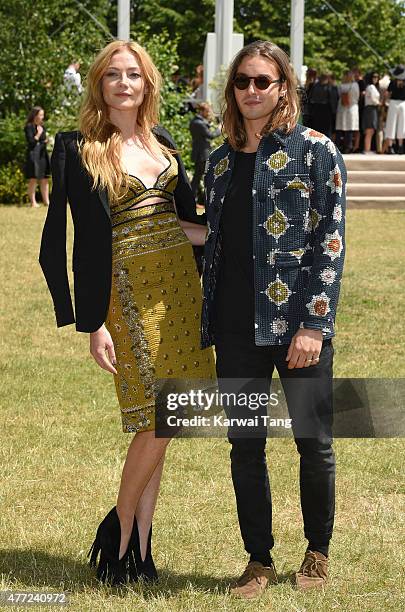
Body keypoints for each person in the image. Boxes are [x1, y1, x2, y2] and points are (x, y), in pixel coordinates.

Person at [39, 40, 215, 586]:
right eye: (113, 74)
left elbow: (185, 220)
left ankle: (141, 547)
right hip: (128, 292)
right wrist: (90, 322)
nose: (123, 82)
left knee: (170, 420)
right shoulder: (79, 147)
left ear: (147, 84)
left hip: (182, 290)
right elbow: (61, 242)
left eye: (132, 74)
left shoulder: (163, 142)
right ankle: (116, 538)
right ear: (99, 84)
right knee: (156, 419)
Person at [201, 40, 346, 599]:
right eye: (242, 82)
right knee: (246, 445)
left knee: (314, 440)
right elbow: (213, 238)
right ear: (232, 90)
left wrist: (314, 325)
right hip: (235, 329)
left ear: (284, 86)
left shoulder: (316, 152)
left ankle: (317, 552)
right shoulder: (217, 161)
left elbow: (329, 244)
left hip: (296, 327)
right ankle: (258, 561)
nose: (252, 91)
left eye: (264, 81)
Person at [189, 102, 221, 202]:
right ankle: (200, 199)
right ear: (201, 111)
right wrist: (219, 129)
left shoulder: (197, 121)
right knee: (205, 177)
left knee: (198, 178)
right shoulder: (198, 123)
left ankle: (193, 199)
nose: (208, 113)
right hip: (202, 154)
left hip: (201, 154)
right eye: (207, 111)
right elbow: (210, 135)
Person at [24, 106, 50, 208]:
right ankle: (33, 202)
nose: (42, 117)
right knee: (33, 179)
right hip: (33, 155)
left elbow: (42, 141)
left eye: (43, 115)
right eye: (40, 115)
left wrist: (46, 141)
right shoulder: (29, 127)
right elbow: (31, 142)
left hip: (42, 155)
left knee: (45, 178)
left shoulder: (43, 127)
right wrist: (38, 134)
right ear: (35, 115)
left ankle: (46, 201)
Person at [382, 65, 405, 154]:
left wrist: (384, 101)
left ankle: (391, 147)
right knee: (402, 125)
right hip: (403, 103)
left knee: (391, 125)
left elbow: (387, 94)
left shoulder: (392, 82)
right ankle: (400, 147)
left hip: (394, 103)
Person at [335, 70, 360, 153]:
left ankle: (338, 146)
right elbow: (357, 96)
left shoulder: (341, 85)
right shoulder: (355, 85)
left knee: (340, 128)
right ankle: (348, 146)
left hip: (342, 107)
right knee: (350, 128)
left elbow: (338, 95)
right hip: (352, 107)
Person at [308, 73, 335, 138]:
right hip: (326, 111)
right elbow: (332, 100)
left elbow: (310, 98)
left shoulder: (315, 86)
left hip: (316, 110)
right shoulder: (329, 87)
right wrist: (334, 111)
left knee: (316, 130)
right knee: (326, 131)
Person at [362, 72, 381, 154]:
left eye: (377, 77)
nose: (376, 78)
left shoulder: (372, 87)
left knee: (371, 130)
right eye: (374, 77)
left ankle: (367, 149)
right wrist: (380, 103)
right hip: (371, 109)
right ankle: (367, 149)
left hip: (372, 109)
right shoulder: (371, 87)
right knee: (369, 130)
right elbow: (373, 99)